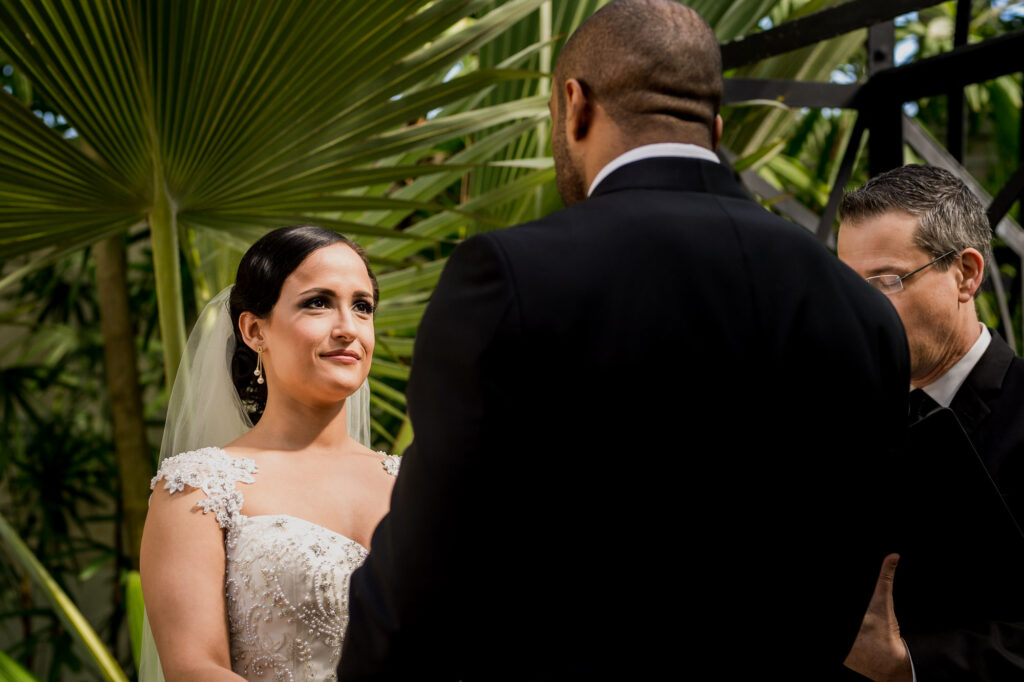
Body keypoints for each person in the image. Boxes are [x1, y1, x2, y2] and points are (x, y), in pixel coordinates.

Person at [339, 1, 910, 679]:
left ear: (574, 105)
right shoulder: (861, 312)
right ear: (714, 124)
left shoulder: (511, 276)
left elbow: (420, 582)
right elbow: (850, 575)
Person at [139, 225, 399, 681]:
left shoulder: (414, 484)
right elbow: (194, 668)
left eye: (362, 307)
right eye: (318, 302)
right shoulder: (198, 489)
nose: (347, 328)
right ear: (255, 329)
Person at [838, 164, 1024, 680]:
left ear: (966, 274)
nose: (859, 311)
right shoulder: (843, 417)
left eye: (885, 281)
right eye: (846, 286)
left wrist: (909, 665)